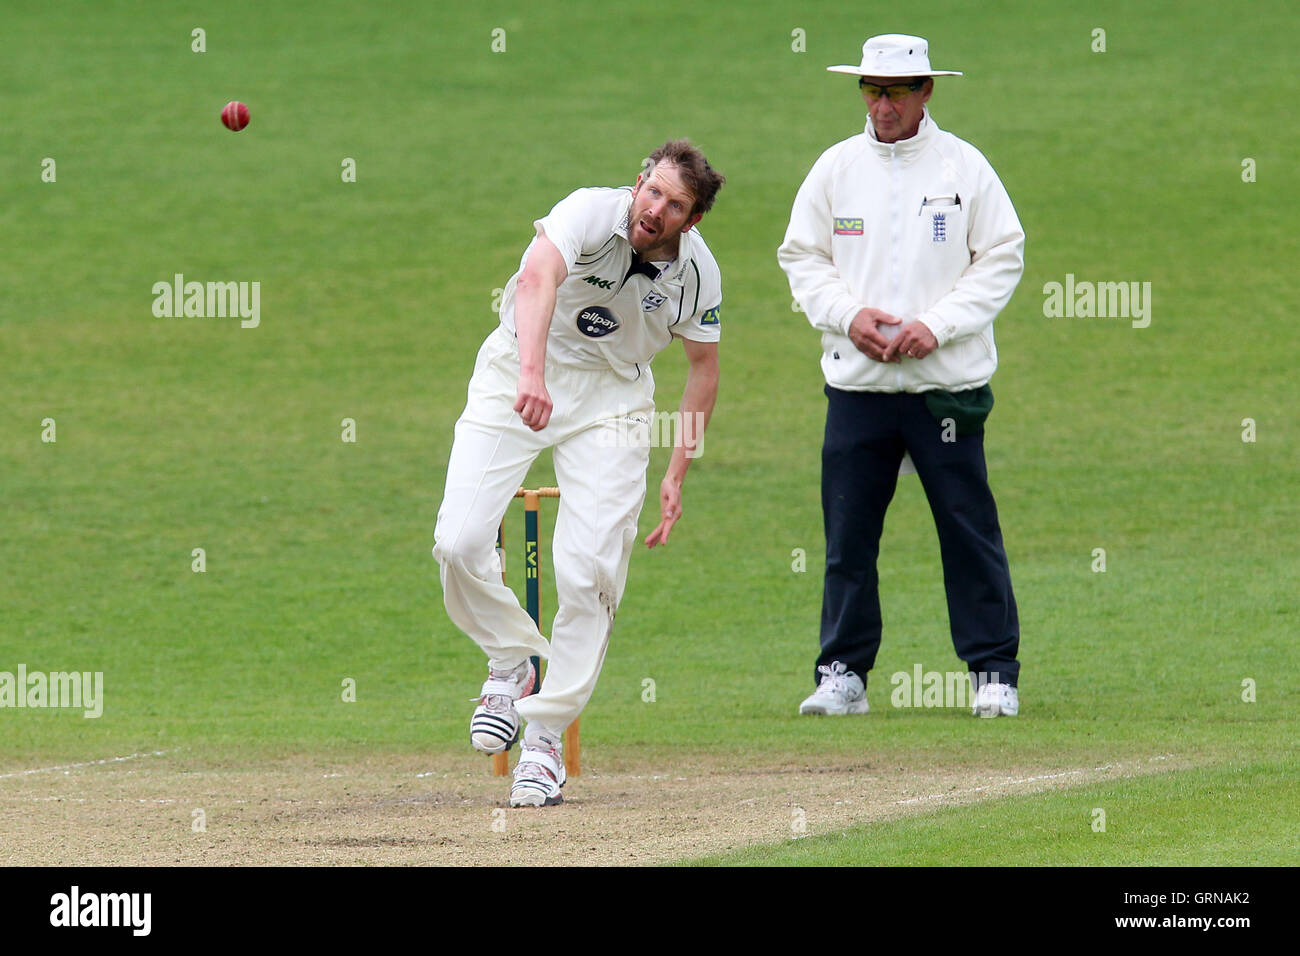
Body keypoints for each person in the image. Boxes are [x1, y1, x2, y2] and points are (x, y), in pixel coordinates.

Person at [434, 140, 725, 806]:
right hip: (520, 365)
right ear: (638, 182)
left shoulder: (698, 275)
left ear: (692, 219)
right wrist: (533, 375)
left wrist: (677, 470)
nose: (655, 210)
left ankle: (542, 741)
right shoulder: (591, 212)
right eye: (652, 191)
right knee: (456, 541)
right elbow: (538, 276)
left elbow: (703, 370)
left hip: (614, 398)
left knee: (590, 570)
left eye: (674, 204)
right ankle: (510, 660)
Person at [777, 34, 1025, 719]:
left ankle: (993, 672)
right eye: (872, 90)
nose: (883, 105)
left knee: (966, 525)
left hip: (945, 385)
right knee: (848, 533)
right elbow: (801, 258)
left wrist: (934, 326)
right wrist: (847, 316)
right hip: (859, 384)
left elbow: (1002, 257)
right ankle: (842, 672)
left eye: (897, 91)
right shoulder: (836, 169)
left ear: (926, 92)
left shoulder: (963, 168)